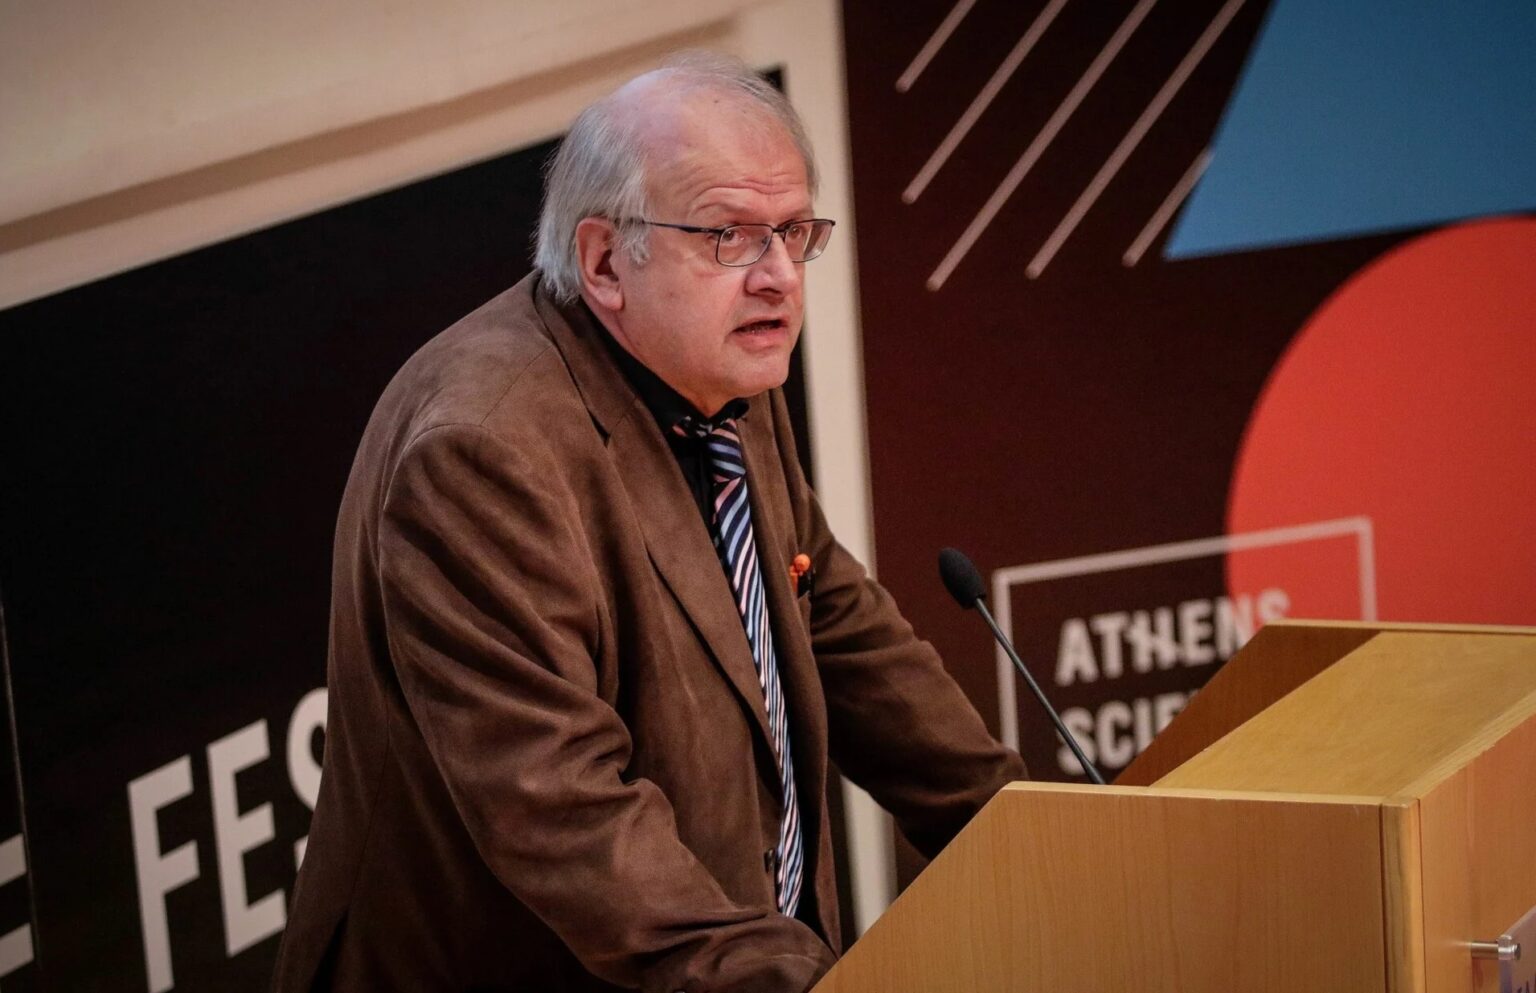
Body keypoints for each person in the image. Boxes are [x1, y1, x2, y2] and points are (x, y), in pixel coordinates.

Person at [272, 52, 1025, 993]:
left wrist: (1024, 826)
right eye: (730, 237)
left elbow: (827, 613)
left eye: (794, 233)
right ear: (603, 261)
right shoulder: (478, 453)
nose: (780, 278)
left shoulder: (715, 364)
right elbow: (561, 804)